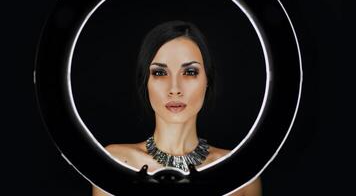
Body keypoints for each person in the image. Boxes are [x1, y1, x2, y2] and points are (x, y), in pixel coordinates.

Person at [92, 20, 262, 196]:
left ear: (207, 81)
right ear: (146, 82)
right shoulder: (115, 163)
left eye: (189, 72)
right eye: (160, 73)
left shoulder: (239, 172)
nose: (174, 89)